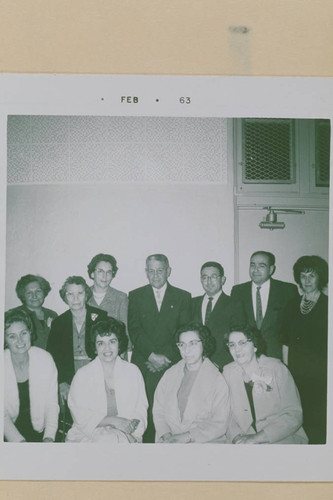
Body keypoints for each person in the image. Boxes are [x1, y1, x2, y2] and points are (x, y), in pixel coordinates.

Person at [128, 254, 191, 442]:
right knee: (144, 411)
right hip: (144, 364)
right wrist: (151, 355)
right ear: (146, 272)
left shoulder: (183, 296)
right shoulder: (136, 295)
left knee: (170, 410)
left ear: (168, 271)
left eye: (160, 271)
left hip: (171, 363)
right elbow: (134, 329)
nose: (155, 275)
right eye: (151, 271)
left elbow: (183, 331)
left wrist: (165, 358)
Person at [66, 317, 148, 442]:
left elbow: (141, 408)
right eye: (101, 343)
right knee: (109, 439)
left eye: (112, 341)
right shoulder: (83, 375)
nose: (107, 348)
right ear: (94, 347)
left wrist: (131, 429)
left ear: (119, 343)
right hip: (88, 436)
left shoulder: (133, 371)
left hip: (127, 435)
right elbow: (79, 414)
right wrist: (112, 421)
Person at [223, 326, 308, 444]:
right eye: (232, 345)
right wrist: (237, 438)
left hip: (281, 438)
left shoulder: (277, 368)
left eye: (242, 343)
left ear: (255, 346)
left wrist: (257, 438)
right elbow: (227, 415)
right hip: (244, 440)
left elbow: (293, 414)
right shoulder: (227, 372)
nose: (237, 349)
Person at [153, 322, 230, 443]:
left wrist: (186, 437)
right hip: (168, 441)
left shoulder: (217, 379)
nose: (186, 350)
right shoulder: (169, 374)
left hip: (203, 443)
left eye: (192, 343)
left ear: (204, 344)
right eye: (182, 344)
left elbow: (220, 423)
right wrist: (166, 435)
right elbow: (158, 411)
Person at [280, 255, 328, 444]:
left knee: (316, 416)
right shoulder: (291, 305)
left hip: (320, 372)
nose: (307, 280)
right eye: (303, 275)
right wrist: (286, 368)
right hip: (295, 370)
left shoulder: (328, 305)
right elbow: (285, 340)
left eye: (312, 276)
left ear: (320, 278)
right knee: (297, 412)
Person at [47, 276, 107, 407]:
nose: (75, 299)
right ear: (64, 297)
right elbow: (53, 355)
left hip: (97, 373)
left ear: (86, 295)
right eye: (70, 294)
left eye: (80, 293)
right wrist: (62, 382)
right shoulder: (58, 323)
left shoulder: (101, 317)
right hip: (70, 377)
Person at [231, 251, 298, 360]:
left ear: (271, 269)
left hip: (277, 356)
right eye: (252, 265)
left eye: (261, 266)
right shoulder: (238, 291)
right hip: (247, 357)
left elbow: (292, 330)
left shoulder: (287, 290)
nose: (255, 270)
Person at [4, 309, 59, 442]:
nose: (20, 340)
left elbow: (51, 403)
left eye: (23, 333)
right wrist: (19, 442)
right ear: (4, 339)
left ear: (30, 332)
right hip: (6, 434)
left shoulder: (45, 359)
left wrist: (49, 437)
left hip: (40, 430)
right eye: (12, 336)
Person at [191, 261, 244, 370]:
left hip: (223, 365)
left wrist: (217, 363)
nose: (209, 281)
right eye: (205, 277)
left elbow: (237, 338)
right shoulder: (192, 303)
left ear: (222, 280)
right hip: (195, 364)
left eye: (214, 277)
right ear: (201, 280)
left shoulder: (234, 304)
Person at [13, 274, 58, 350]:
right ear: (23, 296)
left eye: (38, 291)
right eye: (29, 293)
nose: (34, 296)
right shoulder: (15, 315)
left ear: (44, 293)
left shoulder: (52, 314)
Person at [87, 253, 128, 328]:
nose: (104, 276)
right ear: (92, 273)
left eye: (108, 272)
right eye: (100, 271)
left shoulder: (121, 298)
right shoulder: (82, 295)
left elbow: (125, 329)